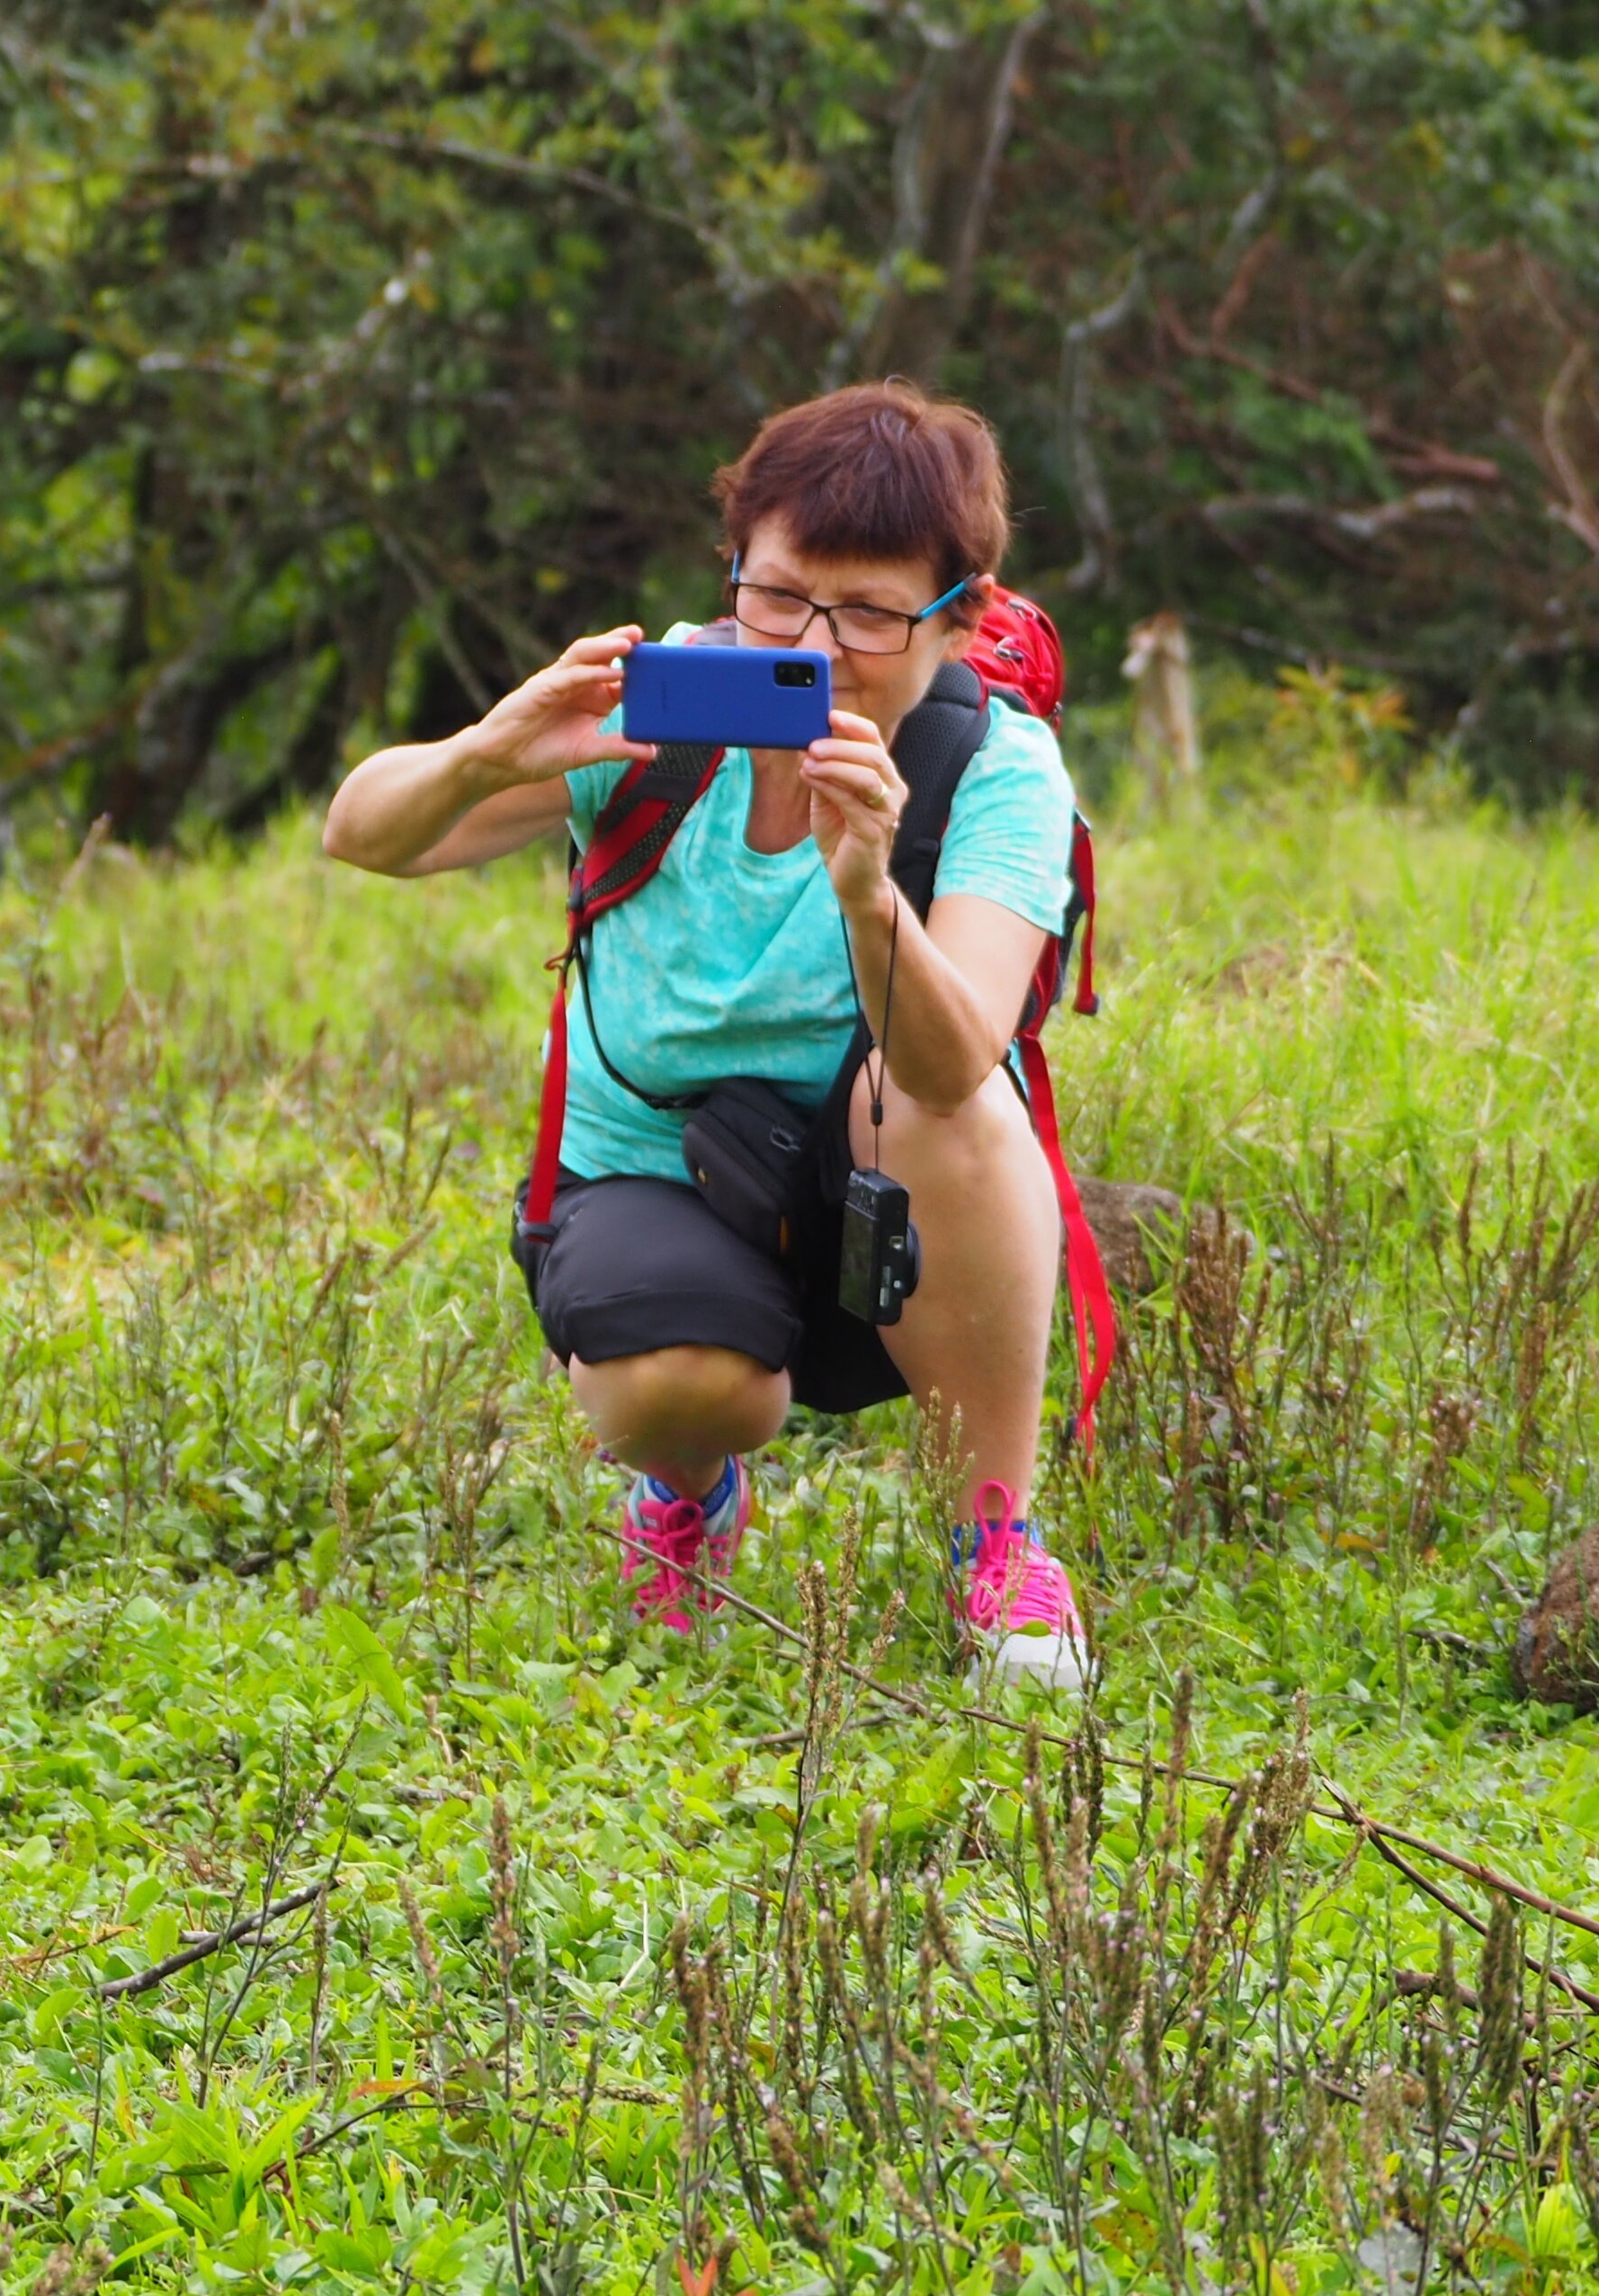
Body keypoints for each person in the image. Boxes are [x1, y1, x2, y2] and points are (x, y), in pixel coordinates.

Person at [318, 381, 1088, 1687]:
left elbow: (955, 1067)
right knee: (679, 1386)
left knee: (919, 1094)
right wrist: (493, 752)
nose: (814, 642)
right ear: (735, 569)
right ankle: (689, 1487)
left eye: (871, 612)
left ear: (960, 622)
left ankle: (997, 1538)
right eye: (779, 595)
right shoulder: (661, 712)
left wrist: (865, 887)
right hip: (664, 1174)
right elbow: (365, 834)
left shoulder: (995, 769)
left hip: (904, 1213)